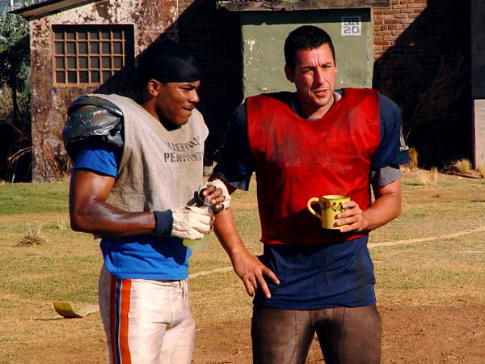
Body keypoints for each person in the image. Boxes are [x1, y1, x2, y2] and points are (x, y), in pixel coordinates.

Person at [211, 25, 409, 364]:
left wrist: (364, 217)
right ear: (290, 73)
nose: (321, 80)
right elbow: (215, 193)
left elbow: (391, 198)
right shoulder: (255, 117)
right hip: (283, 284)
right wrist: (239, 255)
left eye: (327, 67)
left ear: (336, 66)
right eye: (308, 70)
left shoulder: (377, 112)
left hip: (350, 279)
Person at [62, 39, 229, 364]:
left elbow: (172, 191)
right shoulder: (117, 124)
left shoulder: (192, 124)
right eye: (186, 89)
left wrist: (209, 198)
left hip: (180, 279)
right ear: (154, 87)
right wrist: (165, 221)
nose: (195, 98)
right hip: (134, 281)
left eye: (197, 89)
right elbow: (83, 212)